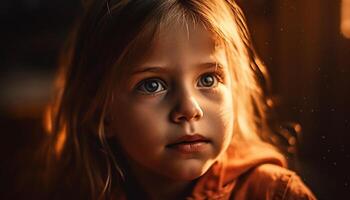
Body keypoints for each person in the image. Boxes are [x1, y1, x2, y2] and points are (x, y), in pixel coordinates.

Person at [42, 0, 317, 199]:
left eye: (208, 79)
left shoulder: (275, 194)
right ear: (100, 112)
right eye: (152, 85)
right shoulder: (71, 192)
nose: (188, 108)